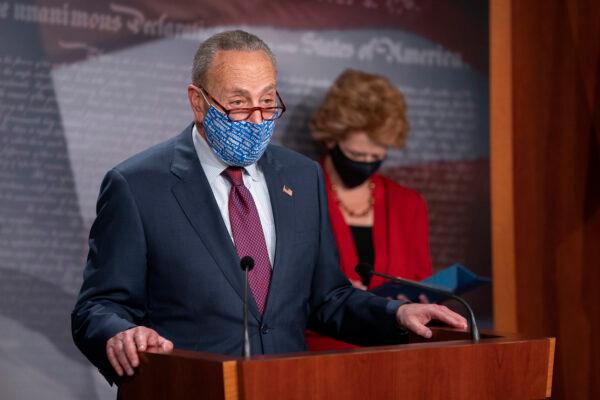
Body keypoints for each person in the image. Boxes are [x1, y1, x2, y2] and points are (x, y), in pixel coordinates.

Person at [71, 30, 467, 385]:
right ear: (198, 102)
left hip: (288, 386)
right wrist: (119, 334)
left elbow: (327, 298)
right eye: (239, 104)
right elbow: (97, 307)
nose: (257, 118)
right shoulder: (137, 185)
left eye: (267, 101)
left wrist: (395, 316)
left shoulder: (302, 176)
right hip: (187, 389)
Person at [305, 69, 433, 351]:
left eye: (376, 157)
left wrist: (419, 302)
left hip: (394, 356)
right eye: (356, 155)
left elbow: (422, 282)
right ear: (330, 139)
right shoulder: (297, 192)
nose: (365, 164)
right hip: (316, 358)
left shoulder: (408, 204)